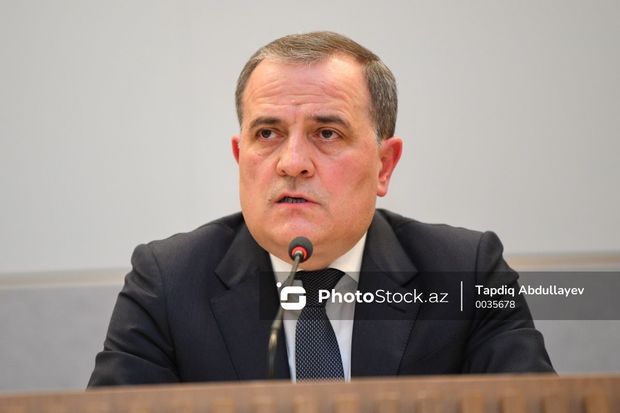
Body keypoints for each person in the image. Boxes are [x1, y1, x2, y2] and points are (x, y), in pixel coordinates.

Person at [88, 31, 553, 386]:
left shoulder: (468, 273)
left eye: (327, 133)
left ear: (384, 165)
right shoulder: (167, 283)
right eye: (267, 134)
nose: (292, 163)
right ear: (239, 156)